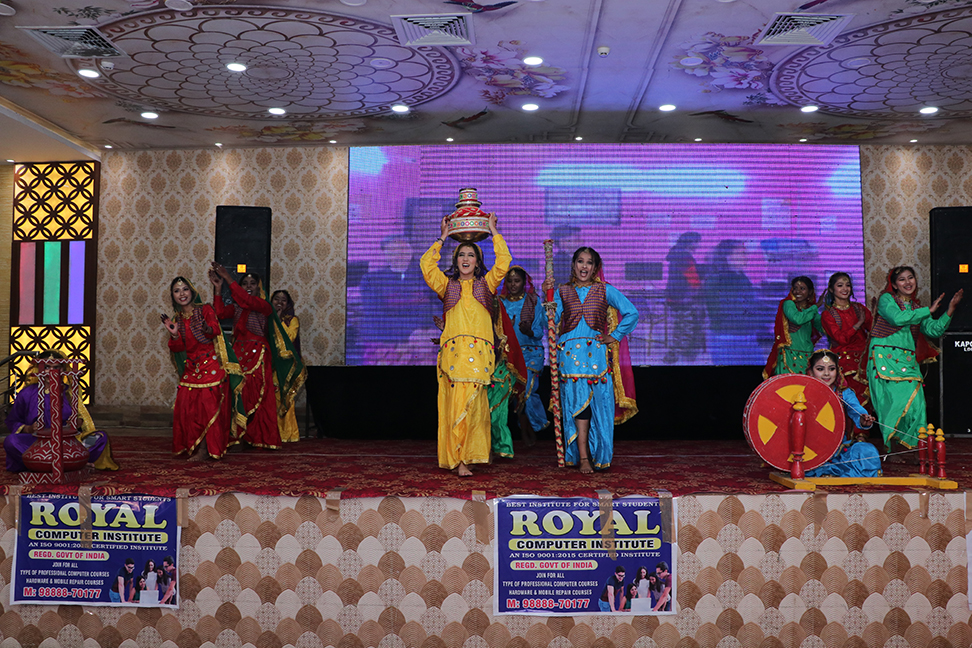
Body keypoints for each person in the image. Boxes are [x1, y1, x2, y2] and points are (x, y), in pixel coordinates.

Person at [421, 213, 510, 476]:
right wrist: (442, 237)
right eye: (461, 255)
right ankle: (458, 460)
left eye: (471, 255)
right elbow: (426, 265)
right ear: (456, 260)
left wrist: (493, 231)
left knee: (476, 407)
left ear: (477, 261)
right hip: (455, 355)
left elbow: (504, 262)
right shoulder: (446, 286)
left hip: (480, 355)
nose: (466, 259)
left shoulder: (487, 284)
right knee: (456, 405)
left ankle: (470, 456)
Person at [542, 247, 638, 473]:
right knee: (578, 407)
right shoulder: (562, 290)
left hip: (596, 356)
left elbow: (631, 312)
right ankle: (583, 456)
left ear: (595, 268)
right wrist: (547, 299)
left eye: (589, 262)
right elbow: (550, 322)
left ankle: (598, 454)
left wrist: (614, 336)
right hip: (570, 357)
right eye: (580, 261)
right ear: (573, 265)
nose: (584, 266)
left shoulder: (605, 289)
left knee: (599, 407)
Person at [209, 264, 304, 450]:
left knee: (255, 394)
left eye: (252, 283)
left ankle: (257, 437)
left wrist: (228, 277)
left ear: (259, 287)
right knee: (236, 392)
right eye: (245, 283)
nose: (248, 286)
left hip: (257, 354)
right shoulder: (238, 307)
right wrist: (218, 288)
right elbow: (219, 313)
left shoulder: (264, 306)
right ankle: (238, 436)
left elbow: (247, 301)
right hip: (238, 354)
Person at [867, 266, 963, 451]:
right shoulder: (887, 299)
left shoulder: (917, 309)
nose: (907, 282)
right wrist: (929, 309)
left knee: (917, 402)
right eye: (902, 279)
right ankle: (892, 448)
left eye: (910, 277)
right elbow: (897, 318)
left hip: (907, 361)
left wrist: (950, 309)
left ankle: (916, 447)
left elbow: (934, 330)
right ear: (894, 285)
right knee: (892, 404)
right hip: (884, 357)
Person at [162, 277, 245, 459]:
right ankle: (195, 445)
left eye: (185, 289)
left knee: (208, 408)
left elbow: (215, 330)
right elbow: (178, 348)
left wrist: (206, 329)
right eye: (177, 291)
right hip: (192, 368)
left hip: (211, 364)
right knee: (186, 406)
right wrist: (174, 335)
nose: (182, 293)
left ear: (192, 292)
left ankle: (205, 450)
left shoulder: (204, 309)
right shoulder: (176, 319)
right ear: (172, 296)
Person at [4, 349, 118, 472]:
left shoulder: (69, 393)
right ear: (39, 369)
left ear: (63, 370)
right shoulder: (27, 393)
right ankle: (71, 464)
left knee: (99, 437)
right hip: (37, 442)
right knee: (11, 441)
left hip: (67, 443)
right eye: (47, 367)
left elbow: (83, 421)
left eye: (56, 367)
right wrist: (28, 428)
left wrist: (77, 422)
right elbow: (12, 421)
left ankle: (46, 464)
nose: (51, 371)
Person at [803, 350, 881, 478]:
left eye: (831, 369)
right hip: (809, 450)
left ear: (838, 371)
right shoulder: (801, 392)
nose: (826, 373)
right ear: (810, 372)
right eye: (820, 369)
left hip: (839, 451)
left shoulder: (843, 393)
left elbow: (856, 409)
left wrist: (863, 419)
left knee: (867, 451)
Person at [499, 267, 548, 445]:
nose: (513, 284)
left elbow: (539, 331)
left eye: (517, 281)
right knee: (516, 394)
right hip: (509, 354)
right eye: (510, 281)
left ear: (524, 283)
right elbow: (495, 330)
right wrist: (506, 329)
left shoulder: (533, 301)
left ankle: (537, 424)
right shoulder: (500, 303)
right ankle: (525, 430)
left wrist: (528, 331)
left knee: (527, 390)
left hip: (531, 352)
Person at [820, 272, 872, 411]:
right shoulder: (828, 315)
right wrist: (858, 324)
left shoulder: (859, 309)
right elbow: (841, 339)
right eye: (840, 285)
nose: (845, 289)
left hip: (864, 360)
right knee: (850, 401)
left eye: (847, 285)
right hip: (844, 362)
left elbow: (873, 330)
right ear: (831, 289)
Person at [704, 240, 758, 365]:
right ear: (727, 256)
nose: (746, 257)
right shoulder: (718, 280)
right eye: (741, 253)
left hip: (747, 337)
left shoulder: (742, 278)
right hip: (727, 339)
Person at [763, 276, 822, 378]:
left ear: (810, 292)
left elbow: (822, 327)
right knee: (788, 385)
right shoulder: (788, 304)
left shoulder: (811, 310)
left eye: (802, 288)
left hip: (807, 355)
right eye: (795, 288)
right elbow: (797, 319)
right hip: (789, 354)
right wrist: (816, 306)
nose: (797, 291)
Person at [664, 232, 705, 363]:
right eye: (697, 242)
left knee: (680, 326)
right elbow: (693, 279)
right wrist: (701, 289)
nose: (698, 245)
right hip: (684, 298)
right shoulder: (685, 257)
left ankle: (676, 354)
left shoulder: (675, 254)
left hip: (674, 297)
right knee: (687, 328)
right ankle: (678, 355)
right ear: (690, 242)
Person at [271, 289, 303, 442]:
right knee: (273, 397)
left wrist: (278, 320)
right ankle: (273, 433)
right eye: (276, 299)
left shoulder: (292, 320)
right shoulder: (266, 319)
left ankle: (289, 434)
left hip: (289, 366)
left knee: (286, 398)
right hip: (272, 364)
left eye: (283, 300)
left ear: (288, 303)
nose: (279, 302)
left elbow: (290, 337)